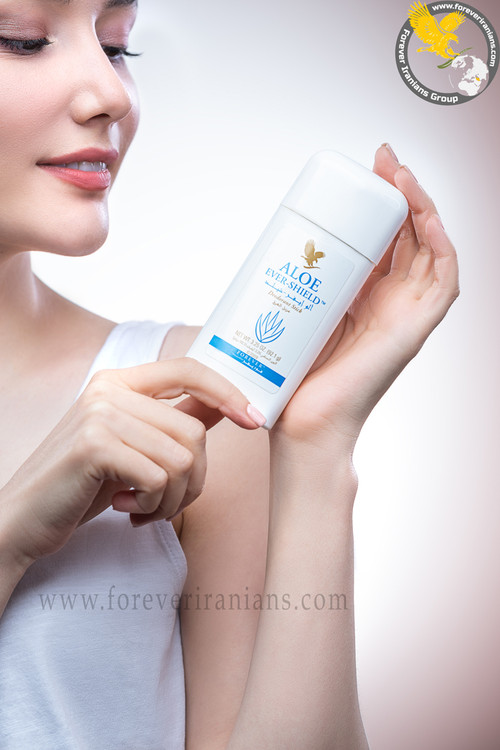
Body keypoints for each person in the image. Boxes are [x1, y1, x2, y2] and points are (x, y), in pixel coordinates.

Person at [0, 0, 459, 747]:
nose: (112, 93)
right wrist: (12, 533)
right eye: (21, 40)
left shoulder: (191, 401)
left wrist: (315, 449)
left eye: (116, 45)